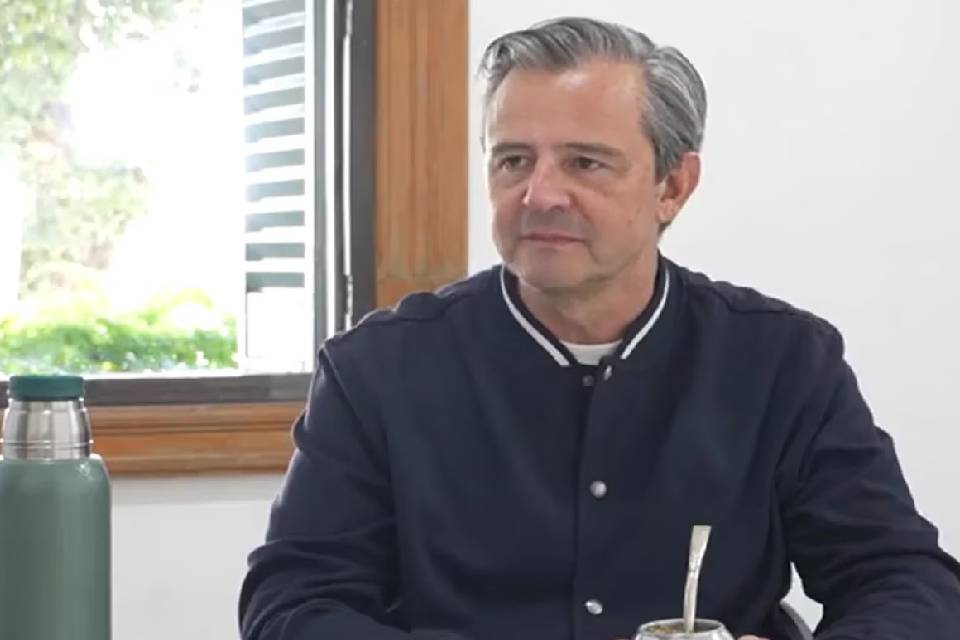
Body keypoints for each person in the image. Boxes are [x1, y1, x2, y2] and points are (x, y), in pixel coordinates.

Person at [239, 17, 960, 640]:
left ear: (673, 186)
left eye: (585, 163)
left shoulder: (783, 360)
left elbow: (905, 579)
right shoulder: (377, 369)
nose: (540, 194)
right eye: (513, 160)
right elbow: (294, 602)